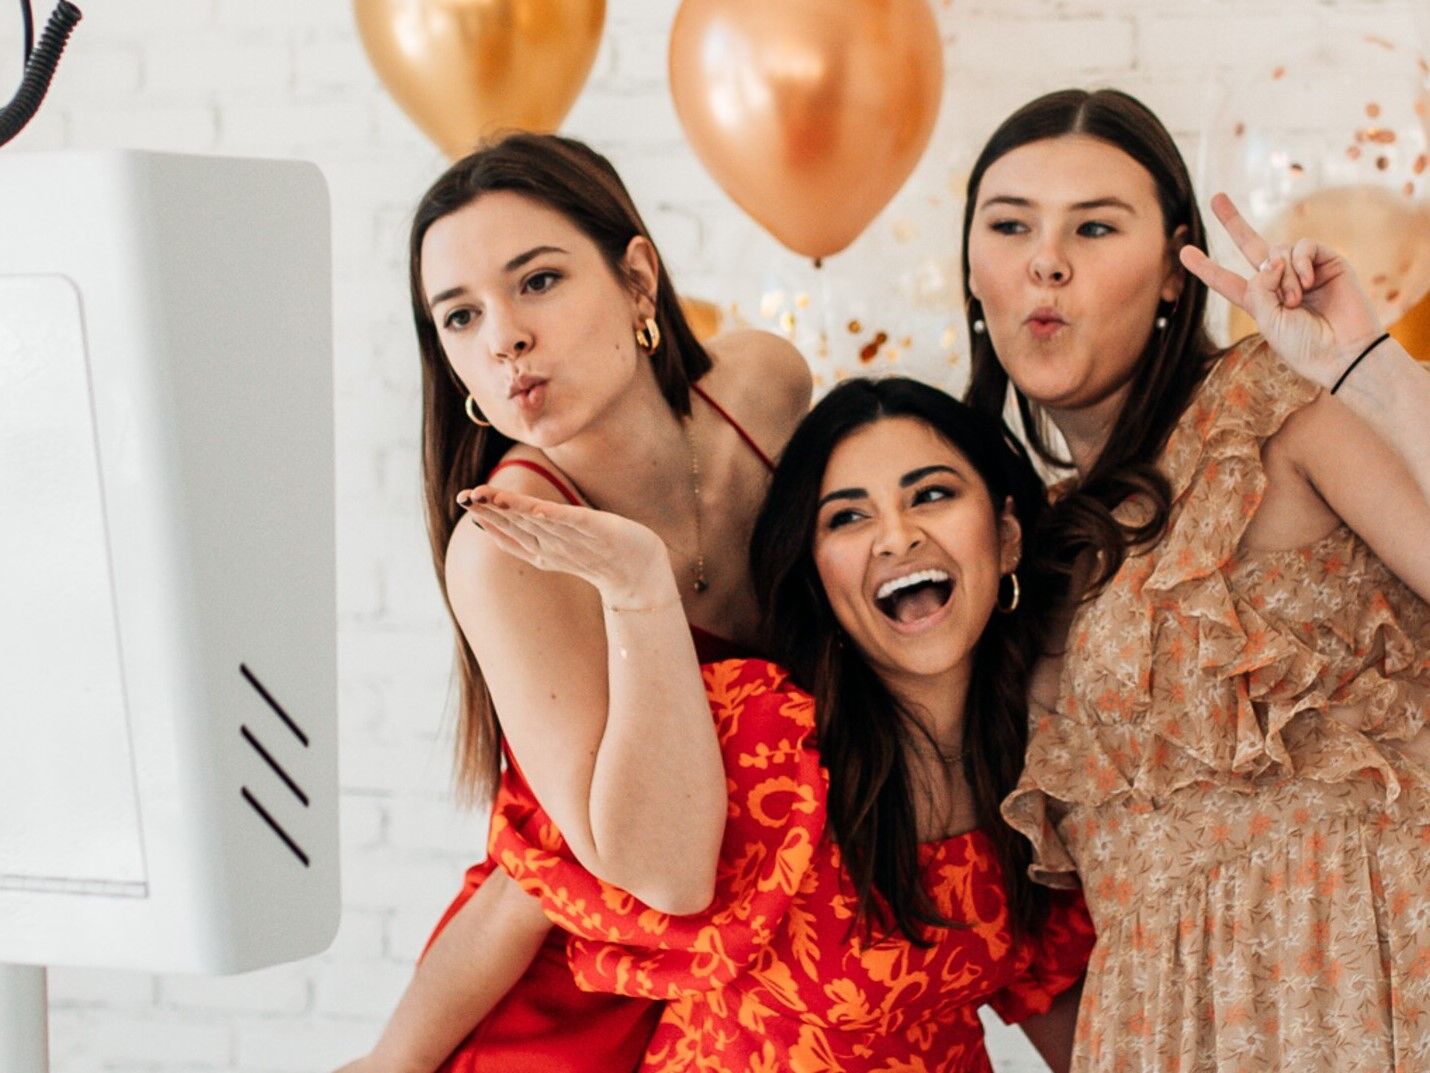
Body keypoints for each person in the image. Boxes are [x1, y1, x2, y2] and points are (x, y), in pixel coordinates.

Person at [960, 87, 1430, 1071]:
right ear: (973, 272)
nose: (1045, 259)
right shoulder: (1010, 546)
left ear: (1175, 271)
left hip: (1375, 980)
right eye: (1010, 225)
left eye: (1093, 225)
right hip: (1161, 1029)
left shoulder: (1270, 401)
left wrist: (1366, 369)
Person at [339, 131, 812, 1072]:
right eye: (459, 317)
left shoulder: (766, 387)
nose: (502, 336)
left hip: (779, 961)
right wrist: (635, 589)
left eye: (538, 281)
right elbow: (663, 873)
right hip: (591, 1000)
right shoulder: (508, 553)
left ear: (638, 278)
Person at [481, 377, 1096, 1071]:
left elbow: (1050, 993)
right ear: (818, 572)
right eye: (847, 518)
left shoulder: (1037, 763)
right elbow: (522, 888)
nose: (898, 536)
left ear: (1006, 536)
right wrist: (397, 1058)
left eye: (931, 495)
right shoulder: (763, 736)